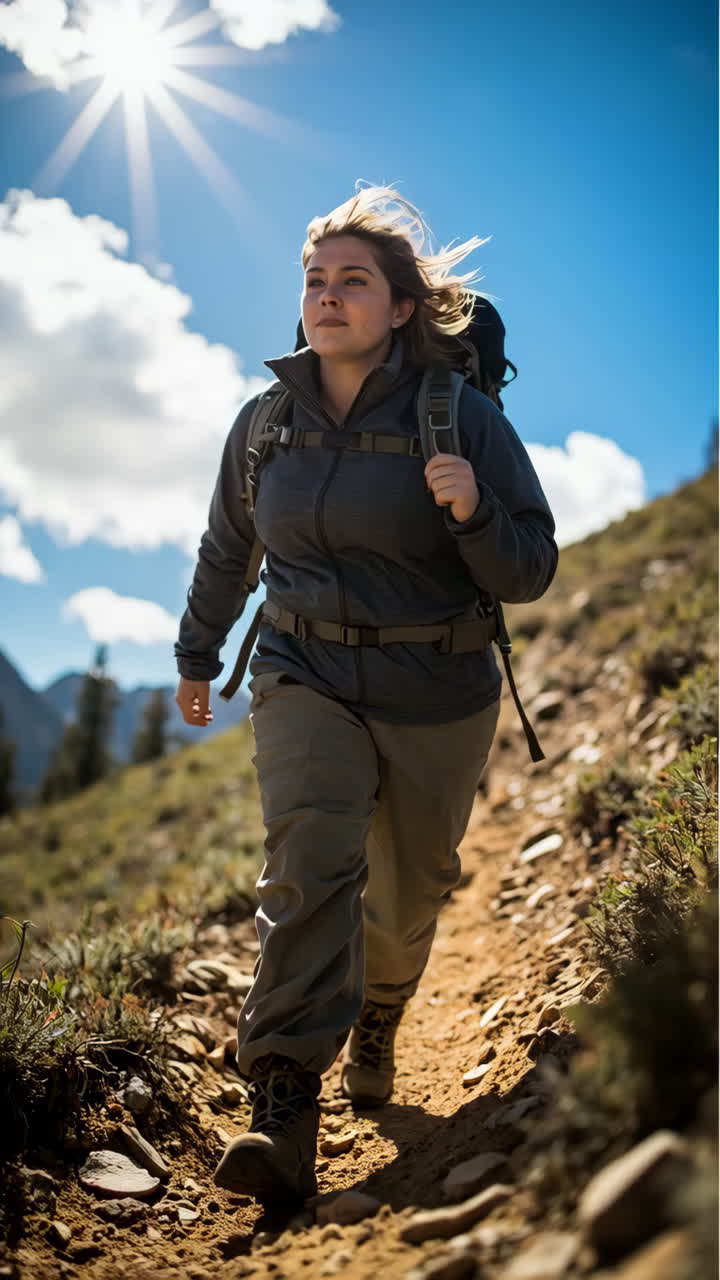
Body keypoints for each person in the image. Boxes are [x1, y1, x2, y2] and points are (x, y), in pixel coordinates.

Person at [174, 184, 558, 1203]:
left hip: (439, 687)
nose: (328, 296)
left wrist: (474, 511)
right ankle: (285, 1101)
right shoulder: (264, 424)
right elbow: (228, 548)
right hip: (303, 673)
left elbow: (531, 565)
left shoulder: (461, 418)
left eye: (355, 281)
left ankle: (382, 1008)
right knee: (307, 863)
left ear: (400, 308)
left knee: (406, 895)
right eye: (315, 279)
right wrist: (197, 655)